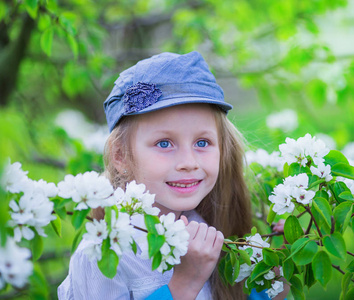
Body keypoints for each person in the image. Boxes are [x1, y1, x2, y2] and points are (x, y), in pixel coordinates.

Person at [58, 51, 287, 300]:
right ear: (120, 156)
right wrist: (184, 285)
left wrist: (276, 274)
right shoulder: (103, 254)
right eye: (164, 143)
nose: (189, 163)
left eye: (202, 142)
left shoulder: (207, 225)